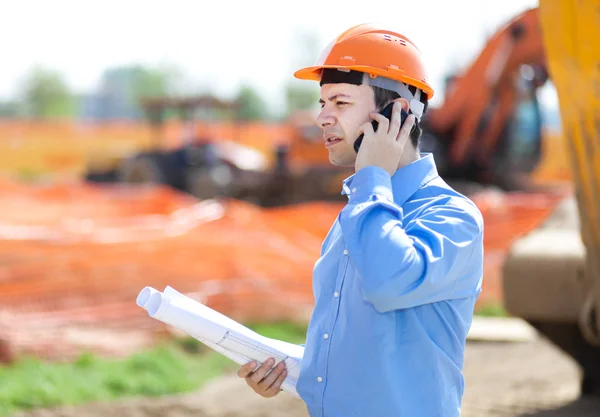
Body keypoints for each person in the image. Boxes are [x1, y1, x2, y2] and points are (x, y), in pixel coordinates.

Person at [236, 23, 484, 417]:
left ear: (395, 113)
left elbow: (389, 282)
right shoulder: (357, 211)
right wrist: (289, 374)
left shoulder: (451, 217)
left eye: (340, 102)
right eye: (322, 103)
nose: (321, 118)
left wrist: (373, 177)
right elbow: (360, 353)